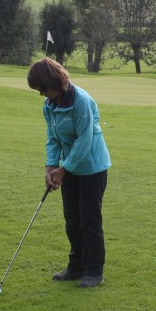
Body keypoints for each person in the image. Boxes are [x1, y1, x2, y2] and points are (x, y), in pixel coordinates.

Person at [27, 57, 112, 287]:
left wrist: (63, 170)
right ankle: (76, 267)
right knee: (72, 220)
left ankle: (94, 271)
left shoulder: (81, 101)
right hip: (69, 167)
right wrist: (50, 166)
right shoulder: (50, 105)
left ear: (54, 82)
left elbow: (85, 141)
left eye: (43, 88)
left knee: (89, 220)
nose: (41, 94)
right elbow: (53, 138)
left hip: (92, 167)